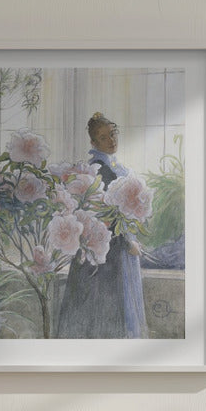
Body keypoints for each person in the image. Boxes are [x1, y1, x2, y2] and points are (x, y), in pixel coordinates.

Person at [56, 113, 147, 338]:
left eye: (113, 134)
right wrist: (128, 242)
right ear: (94, 143)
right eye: (103, 137)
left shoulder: (114, 166)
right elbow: (106, 213)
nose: (111, 140)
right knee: (105, 305)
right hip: (107, 250)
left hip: (113, 245)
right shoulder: (99, 169)